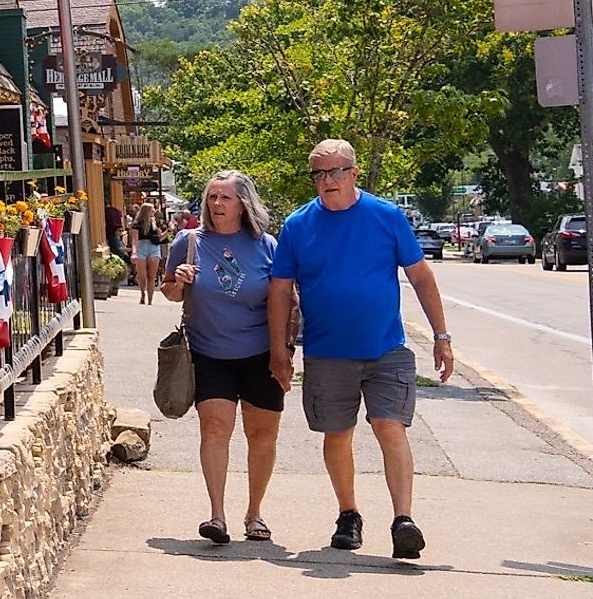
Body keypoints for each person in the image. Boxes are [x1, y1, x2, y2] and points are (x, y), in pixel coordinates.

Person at [267, 139, 456, 559]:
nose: (327, 180)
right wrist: (279, 350)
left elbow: (421, 276)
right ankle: (348, 513)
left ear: (353, 172)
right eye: (319, 173)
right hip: (327, 352)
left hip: (385, 348)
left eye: (335, 171)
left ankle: (403, 519)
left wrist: (441, 336)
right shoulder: (298, 226)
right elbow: (279, 291)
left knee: (390, 426)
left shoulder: (386, 217)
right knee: (338, 433)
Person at [163, 170, 284, 543]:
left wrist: (284, 351)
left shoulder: (266, 245)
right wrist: (177, 282)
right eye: (212, 197)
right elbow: (169, 293)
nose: (217, 205)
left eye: (225, 198)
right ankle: (217, 515)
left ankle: (254, 514)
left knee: (262, 435)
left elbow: (284, 298)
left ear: (243, 203)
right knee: (215, 428)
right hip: (208, 351)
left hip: (260, 353)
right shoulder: (189, 241)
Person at [131, 196, 168, 303]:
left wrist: (168, 231)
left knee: (151, 276)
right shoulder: (137, 224)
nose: (154, 211)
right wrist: (134, 252)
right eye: (152, 210)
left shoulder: (156, 223)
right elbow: (134, 240)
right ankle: (143, 293)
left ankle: (150, 300)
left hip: (154, 248)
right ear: (146, 211)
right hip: (141, 247)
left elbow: (160, 238)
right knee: (142, 275)